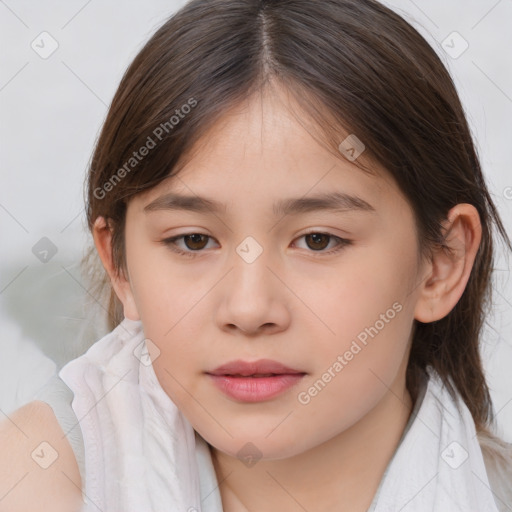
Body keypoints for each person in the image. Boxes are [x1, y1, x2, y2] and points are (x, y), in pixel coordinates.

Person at [1, 0, 511, 510]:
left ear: (440, 263)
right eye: (193, 240)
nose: (248, 309)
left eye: (318, 240)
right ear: (121, 266)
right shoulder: (38, 477)